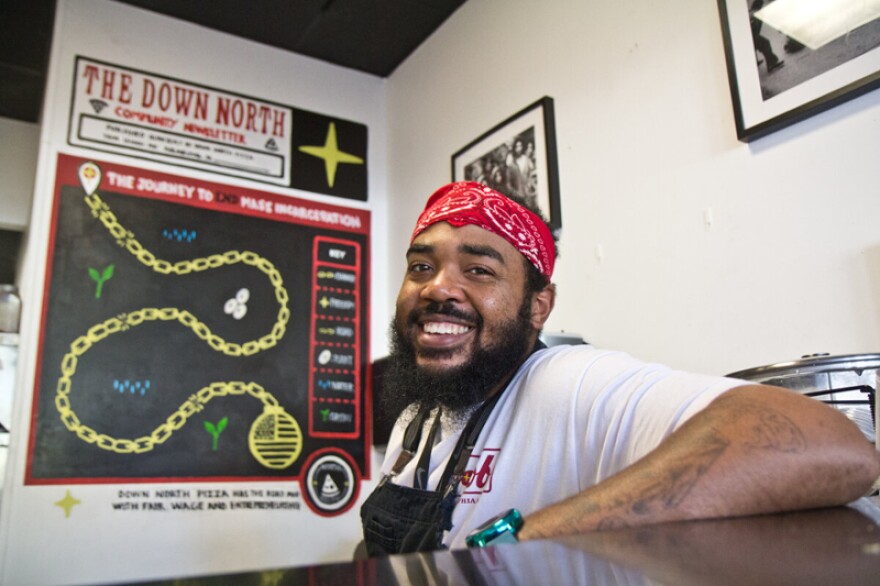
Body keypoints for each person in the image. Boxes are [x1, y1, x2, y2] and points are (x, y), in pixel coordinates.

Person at [360, 181, 880, 556]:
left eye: (478, 270)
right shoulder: (417, 419)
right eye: (421, 267)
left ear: (538, 306)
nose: (436, 288)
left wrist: (520, 539)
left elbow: (831, 445)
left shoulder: (565, 381)